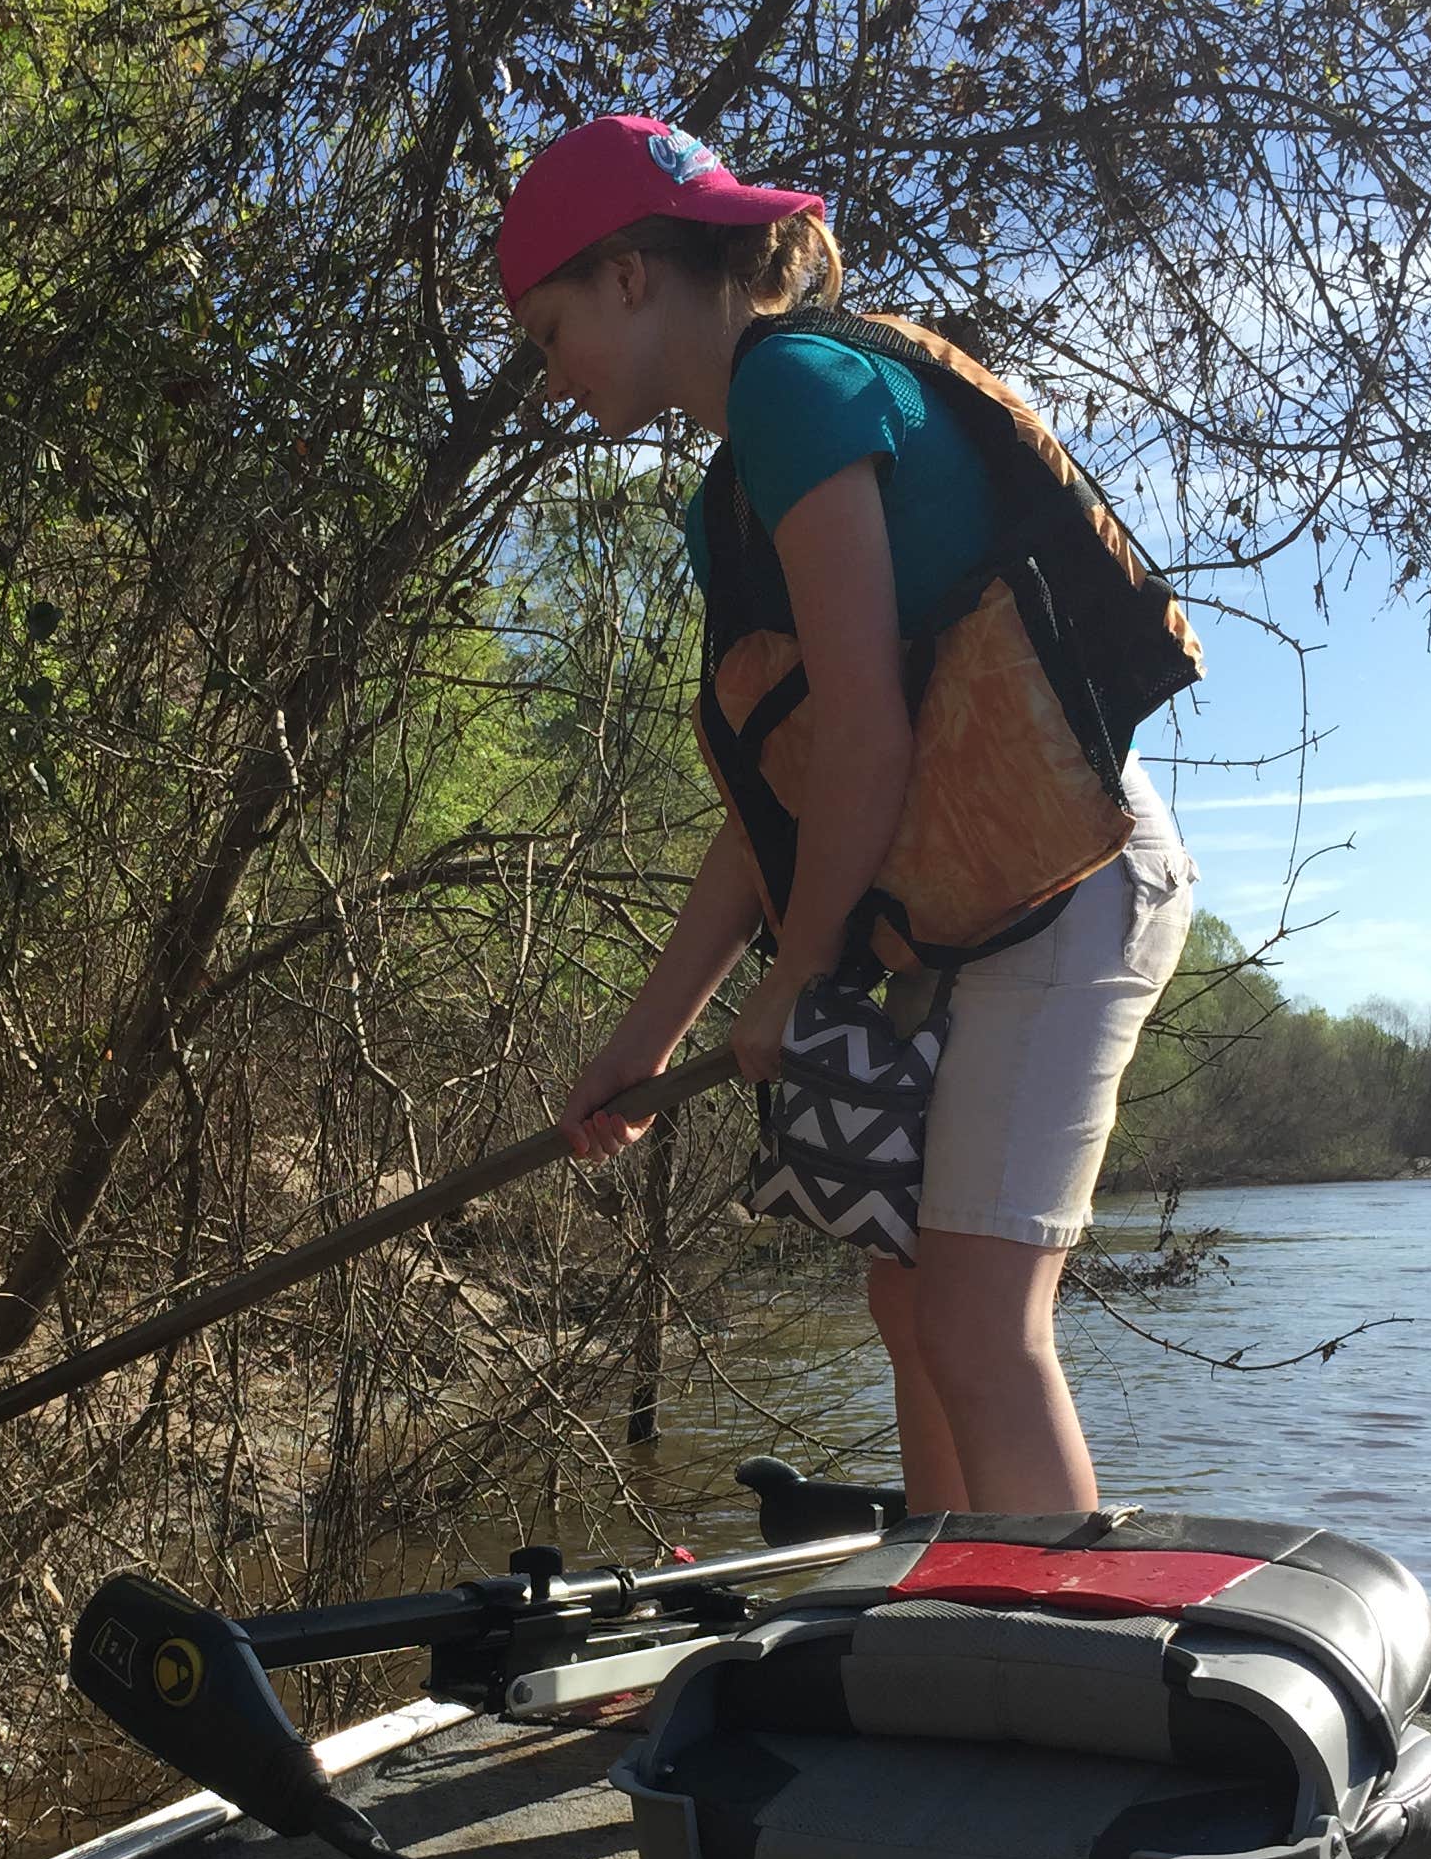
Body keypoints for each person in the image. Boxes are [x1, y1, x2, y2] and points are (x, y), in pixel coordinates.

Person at [501, 113, 1197, 1516]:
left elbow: (872, 737)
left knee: (979, 1327)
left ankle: (1069, 1680)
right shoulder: (730, 501)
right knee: (913, 1303)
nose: (548, 374)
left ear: (631, 276)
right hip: (972, 920)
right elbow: (784, 803)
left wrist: (804, 983)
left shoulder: (797, 390)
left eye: (548, 327)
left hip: (1071, 893)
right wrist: (641, 1051)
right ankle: (954, 1614)